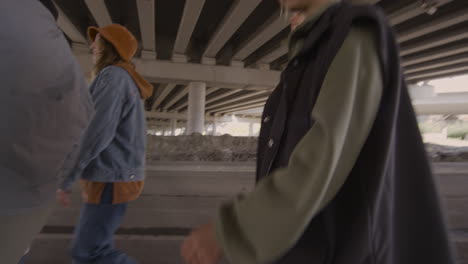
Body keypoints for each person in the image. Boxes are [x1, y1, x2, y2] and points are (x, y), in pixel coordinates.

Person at [181, 0, 456, 264]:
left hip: (344, 252)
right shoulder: (309, 55)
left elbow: (317, 162)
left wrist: (230, 231)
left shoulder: (353, 38)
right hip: (310, 250)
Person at [0, 0, 94, 263]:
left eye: (101, 44)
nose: (95, 47)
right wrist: (61, 179)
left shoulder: (112, 79)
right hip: (29, 204)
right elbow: (82, 124)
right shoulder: (63, 61)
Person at [56, 24, 153, 264]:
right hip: (114, 176)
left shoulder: (113, 76)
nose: (91, 46)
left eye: (97, 41)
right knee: (95, 248)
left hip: (111, 178)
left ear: (110, 47)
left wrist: (66, 176)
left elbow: (94, 133)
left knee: (88, 252)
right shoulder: (121, 78)